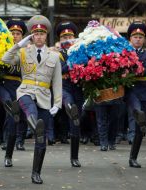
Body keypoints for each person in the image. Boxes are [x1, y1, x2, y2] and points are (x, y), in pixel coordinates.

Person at [2, 15, 62, 184]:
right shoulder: (22, 52)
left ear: (46, 36)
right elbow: (5, 59)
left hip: (44, 96)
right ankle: (35, 125)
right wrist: (19, 44)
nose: (39, 37)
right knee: (31, 111)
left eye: (42, 34)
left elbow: (57, 83)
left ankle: (36, 172)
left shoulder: (54, 56)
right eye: (35, 34)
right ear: (31, 36)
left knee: (41, 138)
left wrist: (57, 104)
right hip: (25, 92)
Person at [0, 18, 28, 167]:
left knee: (20, 115)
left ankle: (19, 140)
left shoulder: (26, 52)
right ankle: (7, 139)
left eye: (17, 33)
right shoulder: (1, 48)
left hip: (19, 85)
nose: (15, 36)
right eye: (12, 33)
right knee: (11, 111)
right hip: (3, 85)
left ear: (22, 36)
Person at [126, 22, 146, 168]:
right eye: (135, 36)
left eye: (140, 37)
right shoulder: (124, 52)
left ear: (143, 39)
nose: (137, 39)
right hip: (131, 91)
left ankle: (133, 158)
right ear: (130, 38)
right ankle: (139, 114)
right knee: (138, 112)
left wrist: (132, 67)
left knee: (139, 128)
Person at [55, 21, 82, 166]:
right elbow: (59, 70)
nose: (67, 40)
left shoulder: (81, 51)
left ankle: (74, 157)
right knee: (71, 109)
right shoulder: (57, 55)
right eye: (64, 37)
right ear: (60, 40)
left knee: (76, 122)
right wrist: (72, 61)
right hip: (64, 88)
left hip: (78, 88)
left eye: (70, 36)